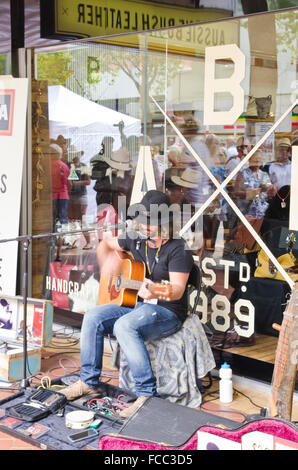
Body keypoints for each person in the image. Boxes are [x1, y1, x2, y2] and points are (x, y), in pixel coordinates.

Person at [60, 190, 194, 418]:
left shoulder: (179, 249)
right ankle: (88, 381)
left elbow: (178, 290)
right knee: (93, 316)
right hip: (138, 305)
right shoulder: (136, 238)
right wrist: (108, 273)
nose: (144, 226)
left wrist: (156, 289)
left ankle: (146, 395)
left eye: (150, 222)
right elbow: (105, 245)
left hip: (167, 311)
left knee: (124, 326)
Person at [233, 150, 274, 218]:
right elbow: (236, 192)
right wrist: (255, 192)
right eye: (255, 158)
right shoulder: (243, 173)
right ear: (249, 160)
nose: (257, 160)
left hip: (263, 213)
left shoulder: (264, 175)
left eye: (259, 158)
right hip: (247, 213)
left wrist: (271, 190)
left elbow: (269, 192)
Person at [67, 148, 92, 250]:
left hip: (81, 195)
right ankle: (73, 242)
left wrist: (76, 183)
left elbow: (88, 181)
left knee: (82, 219)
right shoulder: (68, 166)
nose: (75, 157)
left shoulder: (84, 166)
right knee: (72, 220)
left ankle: (88, 242)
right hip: (71, 196)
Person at [50, 143, 70, 233]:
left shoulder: (47, 165)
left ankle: (54, 239)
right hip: (63, 195)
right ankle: (62, 240)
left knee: (52, 218)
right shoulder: (64, 166)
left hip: (51, 195)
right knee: (62, 218)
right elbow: (69, 182)